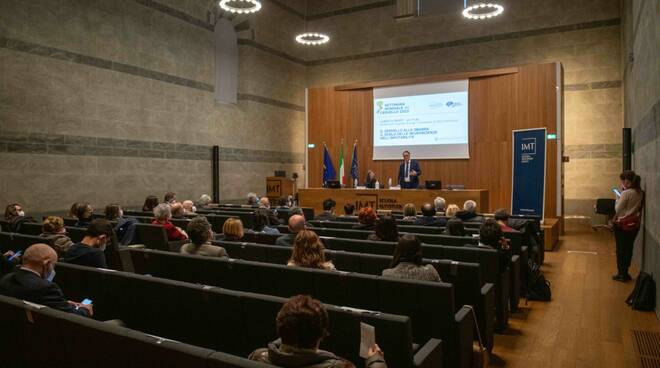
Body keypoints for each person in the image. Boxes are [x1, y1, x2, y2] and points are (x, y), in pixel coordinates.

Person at [248, 295, 387, 368]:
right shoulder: (339, 367)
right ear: (321, 335)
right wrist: (375, 360)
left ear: (280, 329)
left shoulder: (258, 357)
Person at [0, 243, 92, 317]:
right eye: (54, 265)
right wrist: (85, 309)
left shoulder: (7, 278)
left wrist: (63, 303)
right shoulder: (46, 288)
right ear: (47, 264)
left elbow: (40, 301)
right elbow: (72, 316)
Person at [612, 170, 644, 282]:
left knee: (621, 249)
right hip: (634, 225)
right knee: (628, 248)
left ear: (627, 181)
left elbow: (617, 209)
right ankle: (626, 272)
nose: (622, 182)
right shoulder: (640, 192)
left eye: (623, 180)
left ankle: (622, 274)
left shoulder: (626, 193)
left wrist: (617, 197)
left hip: (622, 224)